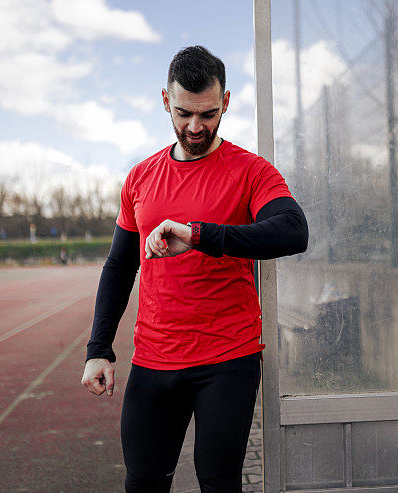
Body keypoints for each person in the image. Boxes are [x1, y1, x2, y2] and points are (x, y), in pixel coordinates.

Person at [81, 45, 308, 492]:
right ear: (166, 101)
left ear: (225, 102)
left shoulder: (251, 171)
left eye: (208, 114)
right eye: (184, 113)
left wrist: (200, 235)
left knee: (219, 484)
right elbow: (120, 264)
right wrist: (98, 347)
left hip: (227, 360)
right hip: (154, 359)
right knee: (143, 482)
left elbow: (293, 231)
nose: (195, 126)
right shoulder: (141, 177)